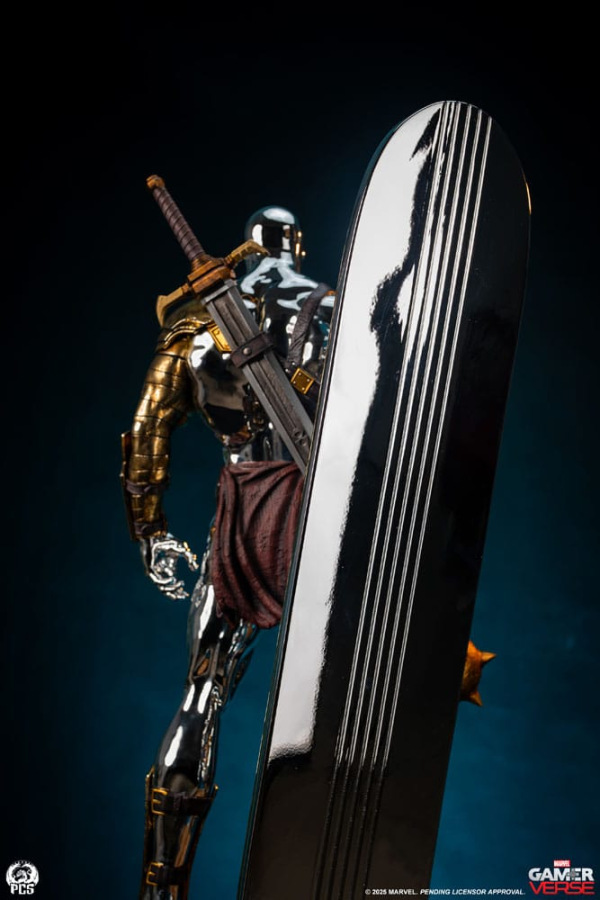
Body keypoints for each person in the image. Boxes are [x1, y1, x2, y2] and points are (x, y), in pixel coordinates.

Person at [121, 205, 335, 900]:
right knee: (346, 704)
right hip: (326, 526)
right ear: (297, 246)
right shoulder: (335, 315)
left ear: (245, 248)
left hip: (242, 525)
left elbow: (146, 432)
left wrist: (150, 530)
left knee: (201, 698)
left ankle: (161, 887)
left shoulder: (195, 329)